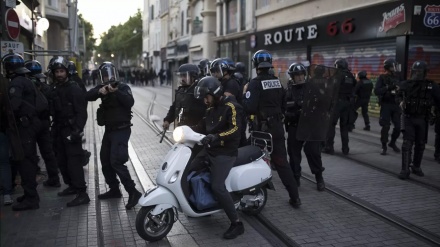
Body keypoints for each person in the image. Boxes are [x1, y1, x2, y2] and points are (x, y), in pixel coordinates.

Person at [242, 49, 301, 207]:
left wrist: (244, 95)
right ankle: (295, 197)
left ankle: (252, 193)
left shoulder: (254, 83)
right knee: (281, 161)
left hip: (261, 130)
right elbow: (283, 105)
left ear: (256, 65)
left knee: (250, 158)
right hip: (276, 128)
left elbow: (250, 108)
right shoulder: (277, 81)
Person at [190, 76, 244, 239]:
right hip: (211, 149)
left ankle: (236, 223)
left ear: (214, 93)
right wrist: (185, 130)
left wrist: (217, 137)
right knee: (190, 169)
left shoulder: (232, 107)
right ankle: (202, 205)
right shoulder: (210, 109)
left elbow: (235, 129)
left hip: (225, 152)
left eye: (206, 97)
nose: (205, 101)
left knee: (218, 186)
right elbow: (201, 126)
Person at [85, 61, 142, 210]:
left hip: (122, 130)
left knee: (116, 161)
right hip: (109, 130)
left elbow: (129, 102)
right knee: (105, 160)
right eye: (104, 76)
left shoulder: (122, 87)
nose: (108, 79)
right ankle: (114, 189)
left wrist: (115, 91)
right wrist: (100, 92)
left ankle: (133, 192)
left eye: (109, 75)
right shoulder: (101, 88)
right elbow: (88, 96)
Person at [2, 52, 40, 211]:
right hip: (29, 127)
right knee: (28, 161)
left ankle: (31, 198)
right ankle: (30, 194)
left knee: (25, 163)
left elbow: (14, 107)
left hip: (23, 130)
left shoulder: (16, 83)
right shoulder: (25, 80)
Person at [50, 56, 90, 207]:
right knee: (62, 161)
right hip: (59, 130)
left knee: (74, 162)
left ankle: (82, 193)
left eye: (62, 71)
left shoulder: (73, 88)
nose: (59, 74)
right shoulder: (55, 88)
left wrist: (77, 130)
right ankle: (72, 186)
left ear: (67, 72)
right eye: (57, 72)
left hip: (71, 131)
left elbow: (82, 112)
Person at [284, 63, 325, 191]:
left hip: (310, 126)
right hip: (294, 126)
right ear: (292, 77)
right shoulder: (288, 91)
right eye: (297, 75)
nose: (300, 77)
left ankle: (319, 177)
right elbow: (284, 109)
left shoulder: (312, 88)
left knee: (313, 151)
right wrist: (294, 113)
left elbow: (322, 104)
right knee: (294, 154)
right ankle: (295, 178)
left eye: (301, 74)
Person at [397, 61, 440, 179]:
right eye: (416, 72)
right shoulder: (406, 84)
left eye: (420, 72)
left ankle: (416, 166)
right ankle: (405, 170)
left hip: (423, 119)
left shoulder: (432, 86)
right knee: (407, 144)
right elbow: (398, 95)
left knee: (420, 145)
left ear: (425, 73)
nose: (417, 74)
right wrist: (400, 101)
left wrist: (435, 114)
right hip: (409, 118)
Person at [24, 60, 61, 187]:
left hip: (31, 124)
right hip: (45, 122)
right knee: (48, 152)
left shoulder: (26, 86)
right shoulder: (46, 86)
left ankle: (33, 177)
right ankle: (54, 177)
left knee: (31, 152)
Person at [323, 58, 356, 155]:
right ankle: (345, 149)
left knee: (331, 125)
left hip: (337, 103)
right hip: (347, 104)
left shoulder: (337, 75)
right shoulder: (350, 75)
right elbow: (354, 86)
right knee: (344, 127)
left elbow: (329, 87)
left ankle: (329, 147)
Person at [163, 64, 206, 130]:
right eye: (181, 76)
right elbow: (175, 107)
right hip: (182, 128)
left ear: (193, 76)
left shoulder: (199, 91)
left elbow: (204, 113)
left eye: (185, 76)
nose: (182, 78)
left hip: (195, 129)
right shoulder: (181, 90)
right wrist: (167, 120)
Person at [374, 58, 401, 155]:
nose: (394, 68)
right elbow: (376, 91)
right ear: (387, 67)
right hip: (386, 104)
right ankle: (384, 145)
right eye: (392, 66)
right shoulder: (382, 77)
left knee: (398, 127)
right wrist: (388, 88)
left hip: (395, 104)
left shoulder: (397, 77)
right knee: (385, 126)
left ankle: (392, 143)